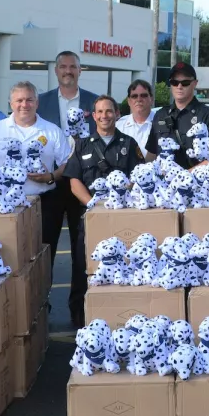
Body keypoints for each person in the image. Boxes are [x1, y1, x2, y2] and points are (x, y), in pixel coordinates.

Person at [63, 95, 143, 327]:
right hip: (90, 216)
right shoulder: (82, 145)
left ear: (117, 114)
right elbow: (74, 182)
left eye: (109, 111)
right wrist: (92, 205)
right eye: (99, 112)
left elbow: (138, 178)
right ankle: (79, 316)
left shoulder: (129, 144)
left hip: (121, 216)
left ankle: (120, 314)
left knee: (122, 264)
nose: (104, 116)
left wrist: (119, 197)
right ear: (93, 116)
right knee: (83, 265)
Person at [0, 80, 71, 262]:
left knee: (43, 257)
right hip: (4, 203)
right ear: (11, 103)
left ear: (37, 103)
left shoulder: (52, 130)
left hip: (43, 204)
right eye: (19, 100)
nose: (24, 105)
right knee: (8, 255)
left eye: (29, 100)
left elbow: (67, 164)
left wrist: (50, 176)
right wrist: (0, 177)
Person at [35, 50, 97, 296]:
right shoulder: (41, 102)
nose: (68, 71)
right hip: (50, 183)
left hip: (83, 182)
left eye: (73, 67)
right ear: (56, 71)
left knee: (82, 248)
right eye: (63, 67)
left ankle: (79, 307)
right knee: (46, 246)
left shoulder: (94, 102)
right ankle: (42, 303)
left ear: (80, 71)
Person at [144, 61, 209, 169]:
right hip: (164, 178)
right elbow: (152, 153)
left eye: (185, 83)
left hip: (195, 178)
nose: (179, 86)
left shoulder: (208, 115)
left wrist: (186, 174)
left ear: (195, 83)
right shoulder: (161, 115)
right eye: (174, 82)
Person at [115, 78, 155, 157]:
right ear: (129, 101)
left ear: (151, 99)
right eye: (134, 96)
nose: (139, 99)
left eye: (143, 95)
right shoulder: (119, 126)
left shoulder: (161, 124)